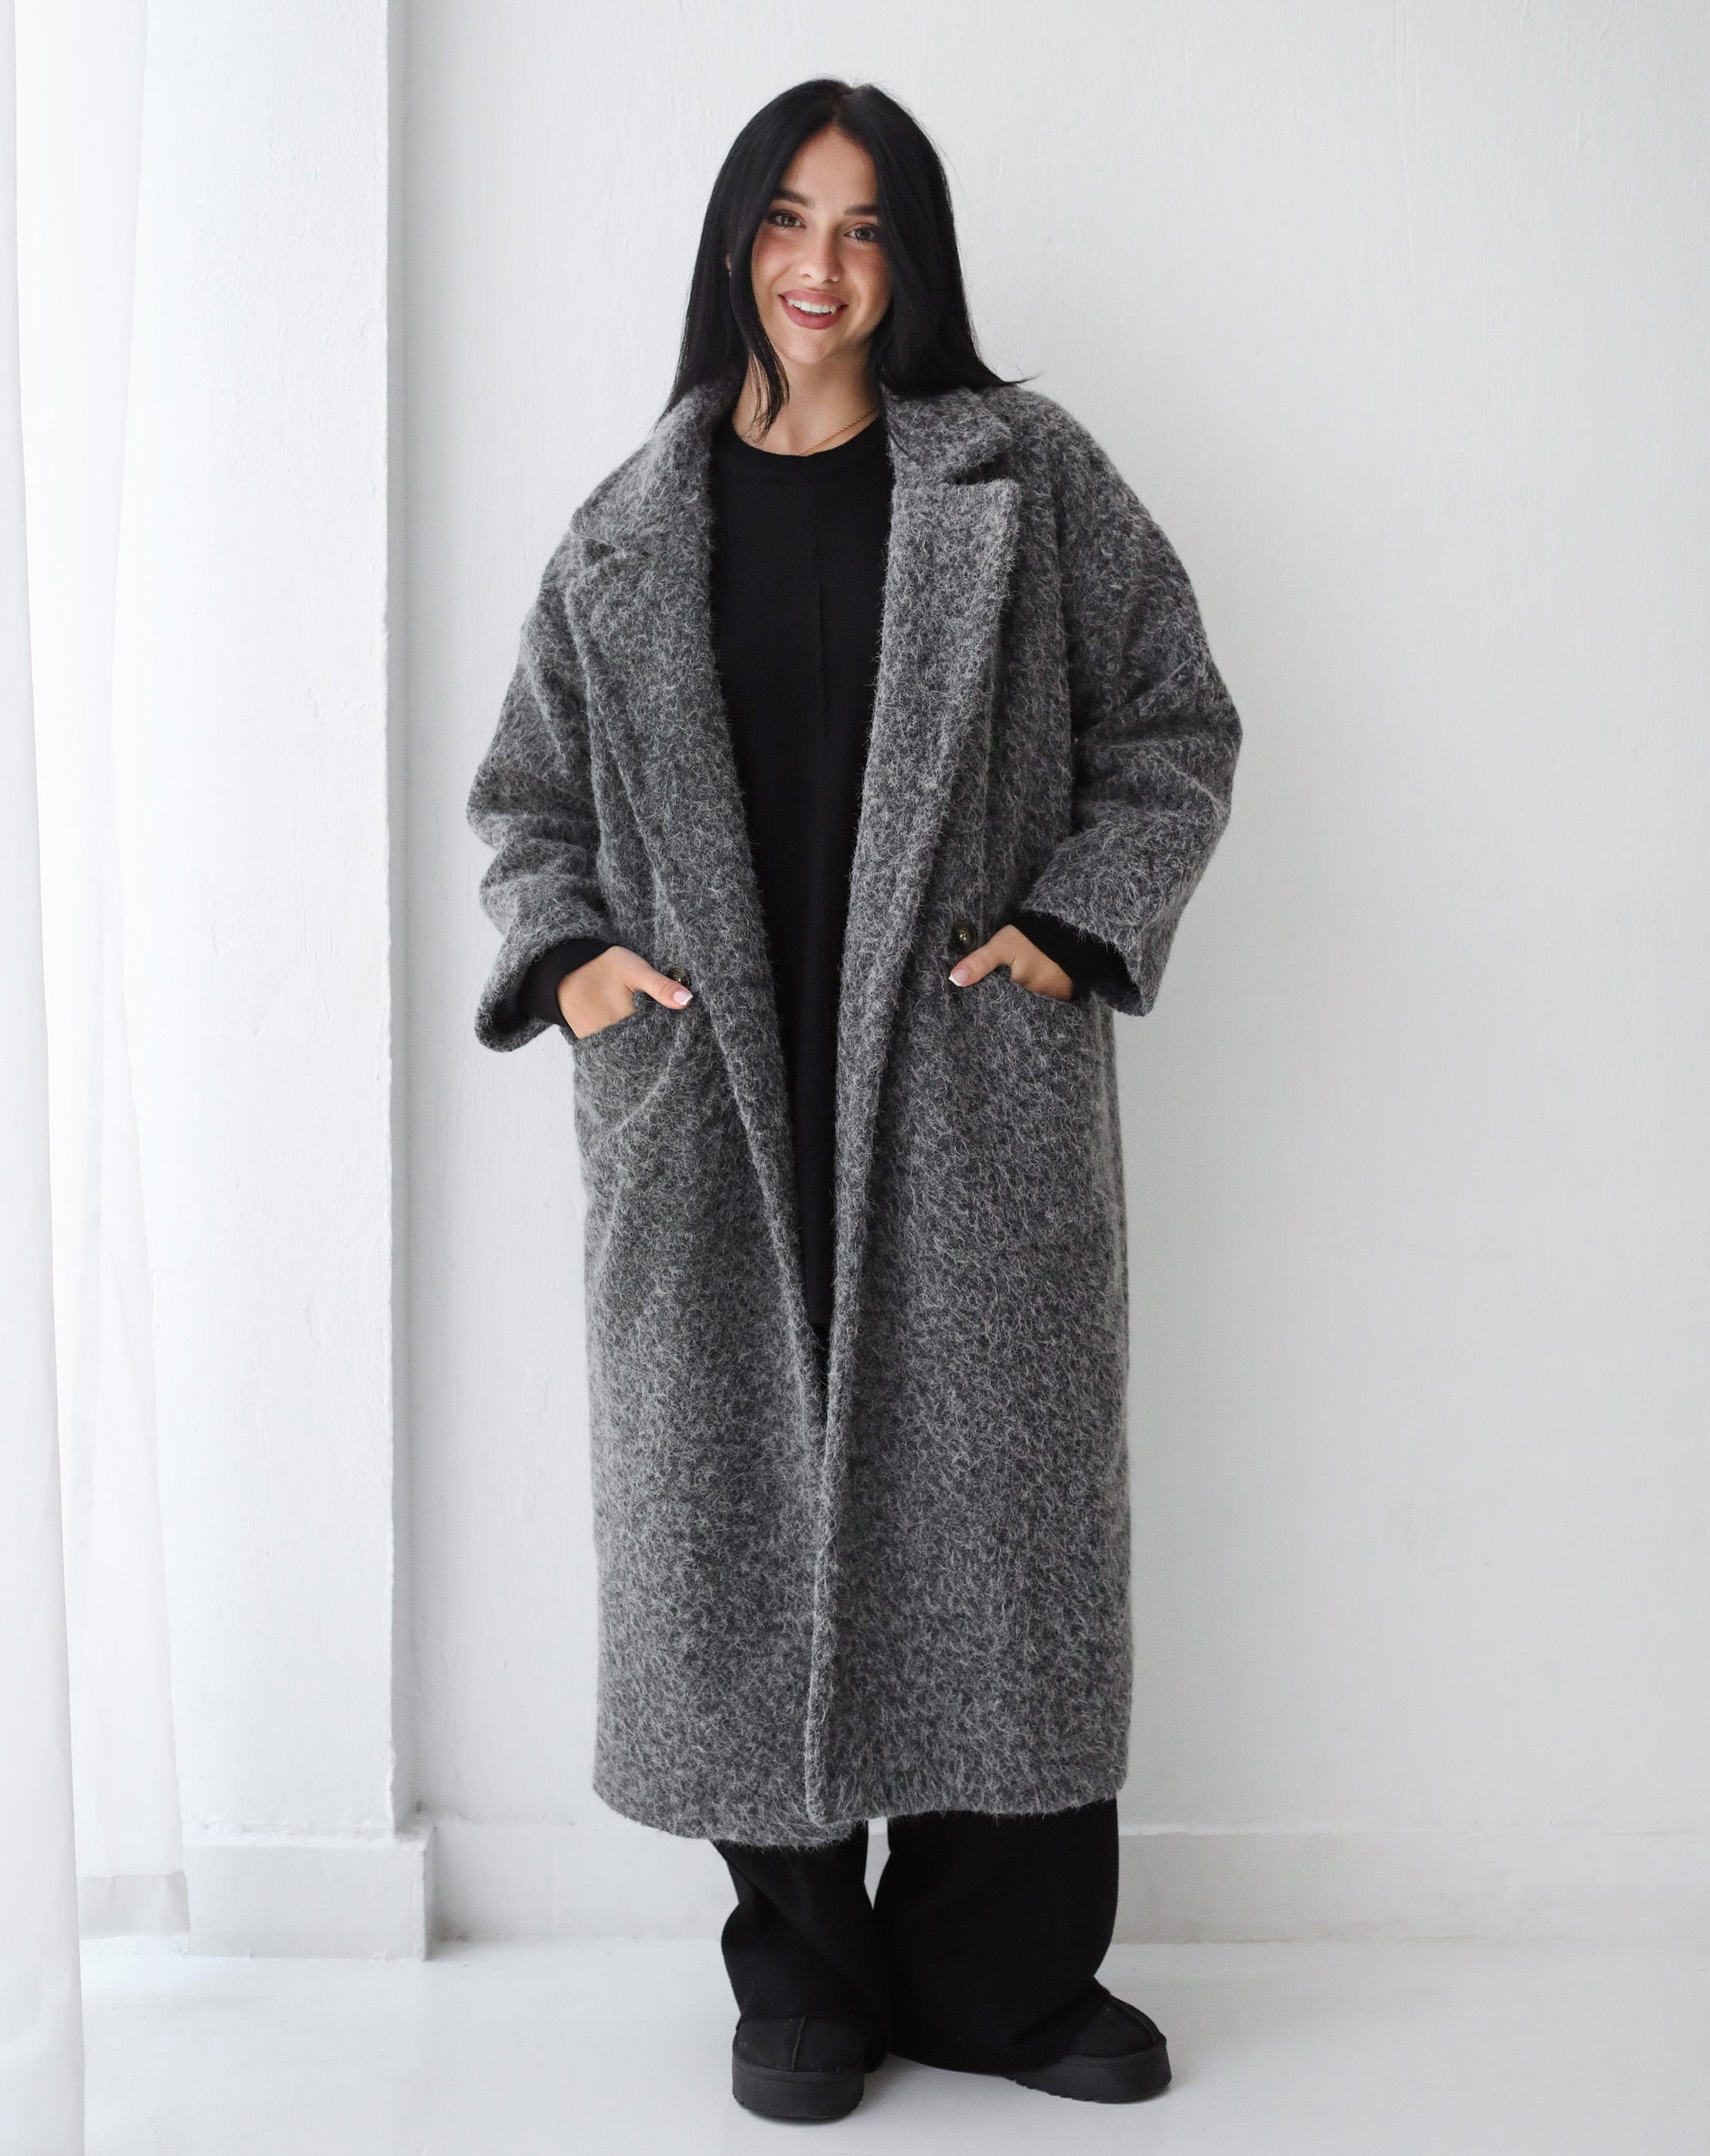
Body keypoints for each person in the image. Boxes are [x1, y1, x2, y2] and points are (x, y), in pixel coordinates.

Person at [466, 77, 1241, 2124]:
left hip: (963, 1087)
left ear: (916, 260)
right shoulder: (625, 533)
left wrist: (1072, 927)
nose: (825, 266)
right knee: (736, 1522)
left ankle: (1003, 1973)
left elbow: (1172, 721)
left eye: (871, 226)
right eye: (792, 220)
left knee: (1004, 1535)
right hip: (716, 1102)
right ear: (736, 242)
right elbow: (528, 807)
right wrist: (574, 965)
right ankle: (802, 1965)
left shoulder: (1022, 480)